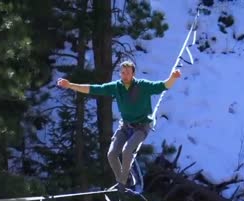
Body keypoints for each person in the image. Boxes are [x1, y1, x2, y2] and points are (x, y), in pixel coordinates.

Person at [57, 60, 181, 192]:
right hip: (125, 126)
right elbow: (93, 88)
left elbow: (163, 86)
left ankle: (122, 183)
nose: (124, 75)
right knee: (111, 154)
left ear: (133, 73)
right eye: (122, 73)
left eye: (127, 73)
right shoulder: (116, 87)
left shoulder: (143, 86)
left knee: (127, 151)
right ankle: (125, 179)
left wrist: (173, 78)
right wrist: (70, 85)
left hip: (141, 127)